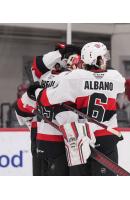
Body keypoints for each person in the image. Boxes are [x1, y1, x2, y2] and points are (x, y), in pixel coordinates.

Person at [32, 42, 126, 176]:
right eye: (103, 57)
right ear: (96, 59)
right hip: (108, 138)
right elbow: (118, 84)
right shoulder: (115, 77)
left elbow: (46, 100)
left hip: (84, 140)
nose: (106, 59)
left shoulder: (74, 78)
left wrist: (36, 91)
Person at [16, 43, 82, 175]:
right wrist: (61, 53)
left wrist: (30, 123)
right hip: (60, 139)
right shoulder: (67, 78)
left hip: (40, 136)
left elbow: (20, 112)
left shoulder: (42, 77)